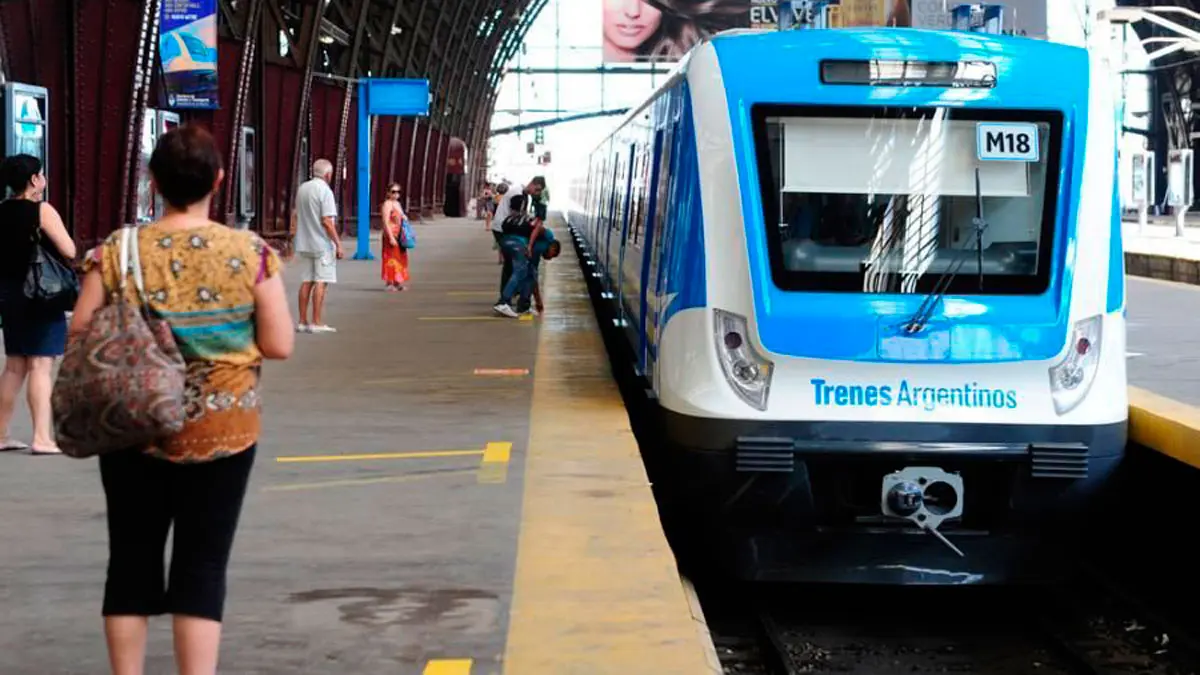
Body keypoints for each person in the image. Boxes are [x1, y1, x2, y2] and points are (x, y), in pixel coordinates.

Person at [70, 124, 294, 675]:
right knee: (202, 563)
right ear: (219, 180)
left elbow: (79, 329)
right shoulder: (251, 253)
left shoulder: (116, 250)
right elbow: (279, 344)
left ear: (153, 181)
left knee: (130, 558)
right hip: (223, 431)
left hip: (133, 422)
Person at [0, 153, 77, 455]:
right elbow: (69, 249)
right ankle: (42, 438)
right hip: (41, 294)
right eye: (41, 174)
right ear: (34, 180)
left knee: (15, 366)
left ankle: (1, 434)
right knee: (41, 365)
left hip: (9, 294)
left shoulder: (1, 210)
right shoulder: (41, 211)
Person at [292, 158, 342, 334]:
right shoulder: (325, 191)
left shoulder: (302, 189)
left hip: (304, 242)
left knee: (307, 280)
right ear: (328, 174)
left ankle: (302, 321)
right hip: (322, 244)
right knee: (321, 281)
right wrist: (338, 243)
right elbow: (327, 221)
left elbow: (295, 215)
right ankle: (317, 322)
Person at [493, 194, 544, 318]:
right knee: (520, 271)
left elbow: (503, 233)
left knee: (531, 273)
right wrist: (530, 246)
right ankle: (503, 302)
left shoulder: (507, 220)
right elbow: (537, 227)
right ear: (523, 206)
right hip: (519, 246)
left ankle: (524, 306)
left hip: (506, 245)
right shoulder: (527, 219)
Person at [381, 183, 410, 292]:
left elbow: (401, 216)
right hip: (391, 234)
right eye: (393, 192)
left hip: (400, 234)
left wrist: (404, 217)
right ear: (388, 193)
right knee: (390, 258)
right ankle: (389, 282)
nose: (396, 194)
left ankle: (398, 281)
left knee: (400, 258)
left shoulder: (397, 204)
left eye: (398, 192)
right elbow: (385, 222)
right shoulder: (387, 204)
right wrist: (390, 237)